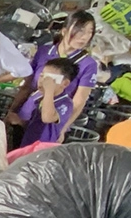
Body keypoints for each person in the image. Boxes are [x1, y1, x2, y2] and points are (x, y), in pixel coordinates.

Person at [7, 9, 98, 138]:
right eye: (80, 30)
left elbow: (79, 101)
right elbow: (28, 85)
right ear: (64, 30)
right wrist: (12, 110)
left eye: (90, 32)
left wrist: (62, 130)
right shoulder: (44, 52)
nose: (85, 37)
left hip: (50, 125)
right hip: (26, 116)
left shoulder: (88, 64)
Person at [14, 58, 78, 147]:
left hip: (43, 149)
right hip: (27, 144)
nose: (42, 81)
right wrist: (20, 121)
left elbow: (47, 118)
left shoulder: (65, 103)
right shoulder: (37, 96)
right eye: (41, 75)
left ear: (65, 83)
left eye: (49, 79)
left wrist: (49, 90)